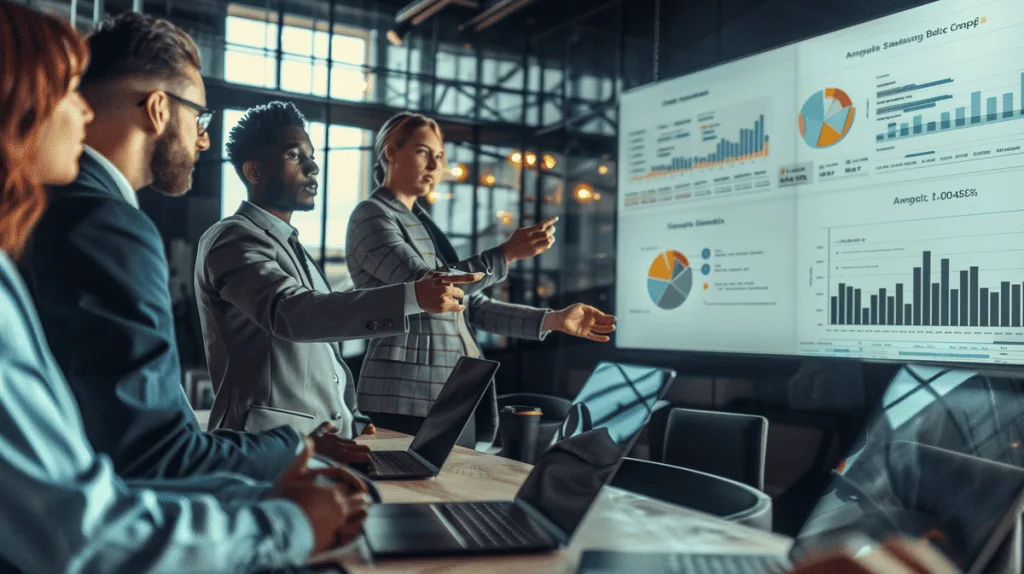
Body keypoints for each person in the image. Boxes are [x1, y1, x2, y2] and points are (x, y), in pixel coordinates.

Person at [0, 2, 368, 570]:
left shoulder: (51, 217)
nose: (202, 140)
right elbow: (129, 476)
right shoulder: (106, 223)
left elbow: (88, 472)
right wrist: (288, 514)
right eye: (198, 116)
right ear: (156, 108)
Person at [195, 101, 483, 438]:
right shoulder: (232, 239)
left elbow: (325, 346)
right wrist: (413, 296)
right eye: (294, 156)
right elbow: (294, 314)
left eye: (311, 155)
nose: (313, 167)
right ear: (254, 172)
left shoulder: (292, 247)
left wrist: (353, 417)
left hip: (321, 443)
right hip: (265, 448)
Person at [345, 112, 617, 447]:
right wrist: (506, 254)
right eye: (421, 152)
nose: (434, 165)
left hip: (455, 393)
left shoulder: (423, 225)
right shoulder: (370, 216)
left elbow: (470, 306)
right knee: (406, 490)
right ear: (390, 152)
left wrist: (554, 320)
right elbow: (430, 289)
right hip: (404, 393)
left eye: (440, 157)